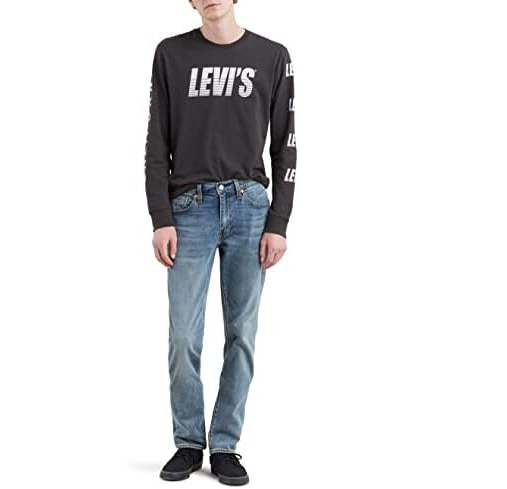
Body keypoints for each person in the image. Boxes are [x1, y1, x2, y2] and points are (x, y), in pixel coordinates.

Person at [144, 0, 296, 484]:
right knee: (183, 336)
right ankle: (189, 442)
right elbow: (156, 142)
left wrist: (279, 221)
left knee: (242, 334)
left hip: (250, 207)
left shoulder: (272, 56)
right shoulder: (171, 54)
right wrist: (160, 216)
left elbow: (286, 143)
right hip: (188, 208)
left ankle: (226, 444)